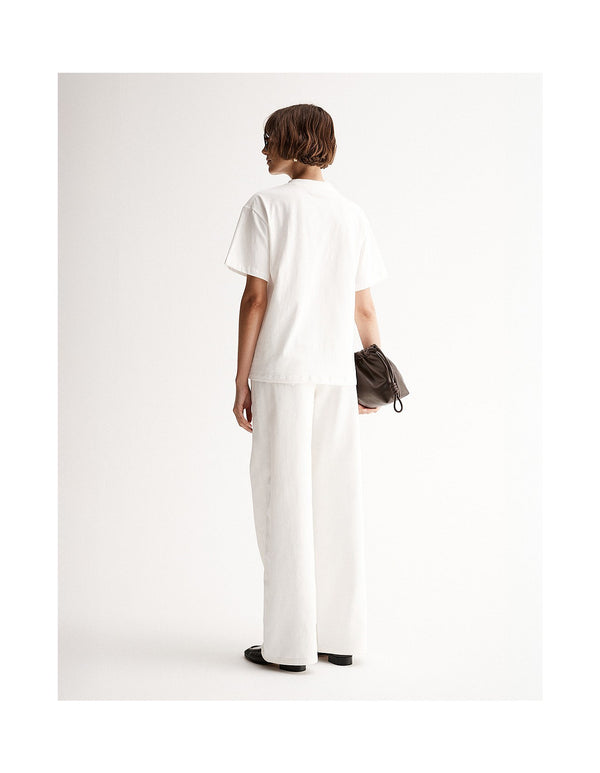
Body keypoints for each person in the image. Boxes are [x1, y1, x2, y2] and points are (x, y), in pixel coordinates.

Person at [224, 103, 388, 672]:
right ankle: (340, 640)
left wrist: (240, 378)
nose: (263, 149)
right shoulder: (351, 214)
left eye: (269, 137)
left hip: (280, 371)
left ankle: (290, 646)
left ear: (293, 141)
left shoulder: (266, 206)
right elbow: (364, 308)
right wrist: (373, 375)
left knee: (283, 503)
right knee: (336, 503)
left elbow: (256, 299)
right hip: (336, 376)